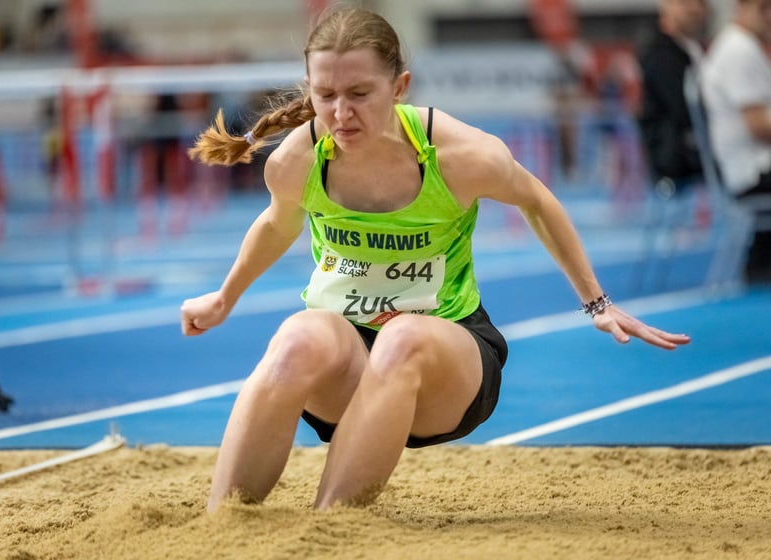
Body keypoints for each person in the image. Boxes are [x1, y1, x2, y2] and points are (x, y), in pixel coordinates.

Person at [180, 7, 691, 513]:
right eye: (326, 95)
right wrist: (225, 298)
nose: (340, 113)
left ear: (400, 86)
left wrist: (595, 302)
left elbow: (536, 200)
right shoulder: (298, 160)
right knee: (296, 336)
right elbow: (276, 223)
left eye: (360, 94)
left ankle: (328, 529)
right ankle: (222, 523)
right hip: (351, 363)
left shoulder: (460, 156)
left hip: (446, 363)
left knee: (402, 337)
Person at [701, 0, 771, 284]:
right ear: (739, 9)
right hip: (752, 170)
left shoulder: (743, 46)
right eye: (763, 8)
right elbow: (758, 126)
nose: (770, 16)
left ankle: (761, 262)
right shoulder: (738, 49)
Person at [637, 0, 709, 195]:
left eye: (701, 3)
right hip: (674, 160)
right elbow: (684, 110)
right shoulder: (660, 55)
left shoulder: (693, 49)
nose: (695, 9)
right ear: (666, 5)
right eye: (686, 3)